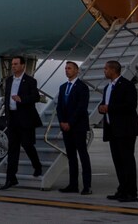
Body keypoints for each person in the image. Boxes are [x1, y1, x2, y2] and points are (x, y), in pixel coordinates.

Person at [98, 60, 138, 203]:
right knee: (118, 162)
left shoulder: (127, 85)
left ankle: (132, 192)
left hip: (126, 130)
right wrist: (101, 108)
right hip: (112, 130)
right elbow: (105, 104)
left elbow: (130, 106)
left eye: (106, 69)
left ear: (113, 70)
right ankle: (122, 189)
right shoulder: (107, 87)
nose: (104, 71)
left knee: (127, 161)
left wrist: (109, 108)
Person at [0, 56, 43, 190]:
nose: (13, 66)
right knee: (13, 149)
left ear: (23, 66)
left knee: (28, 145)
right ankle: (11, 178)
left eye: (16, 64)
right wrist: (7, 116)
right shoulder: (9, 80)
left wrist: (21, 99)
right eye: (12, 64)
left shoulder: (30, 81)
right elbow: (7, 99)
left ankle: (37, 166)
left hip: (25, 118)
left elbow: (35, 97)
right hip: (12, 118)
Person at [55, 61, 92, 195]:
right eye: (65, 68)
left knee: (83, 155)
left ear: (77, 71)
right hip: (66, 127)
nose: (66, 70)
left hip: (78, 126)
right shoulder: (63, 87)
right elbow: (59, 107)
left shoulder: (82, 87)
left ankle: (87, 185)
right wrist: (62, 122)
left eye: (69, 68)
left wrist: (70, 122)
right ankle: (73, 184)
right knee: (71, 157)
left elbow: (81, 108)